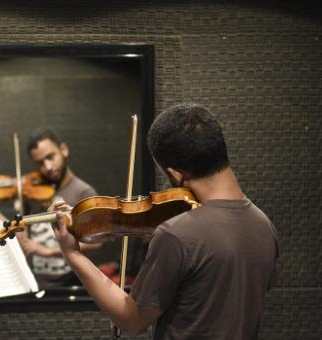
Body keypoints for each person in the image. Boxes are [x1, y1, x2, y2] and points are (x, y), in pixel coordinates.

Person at [50, 103, 279, 339]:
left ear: (175, 174)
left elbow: (131, 321)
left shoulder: (177, 234)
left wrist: (73, 255)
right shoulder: (264, 225)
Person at [0, 128, 102, 288]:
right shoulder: (30, 193)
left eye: (50, 157)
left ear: (63, 150)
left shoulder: (83, 192)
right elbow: (17, 229)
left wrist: (47, 251)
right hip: (35, 282)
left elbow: (97, 242)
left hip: (70, 282)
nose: (48, 167)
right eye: (40, 163)